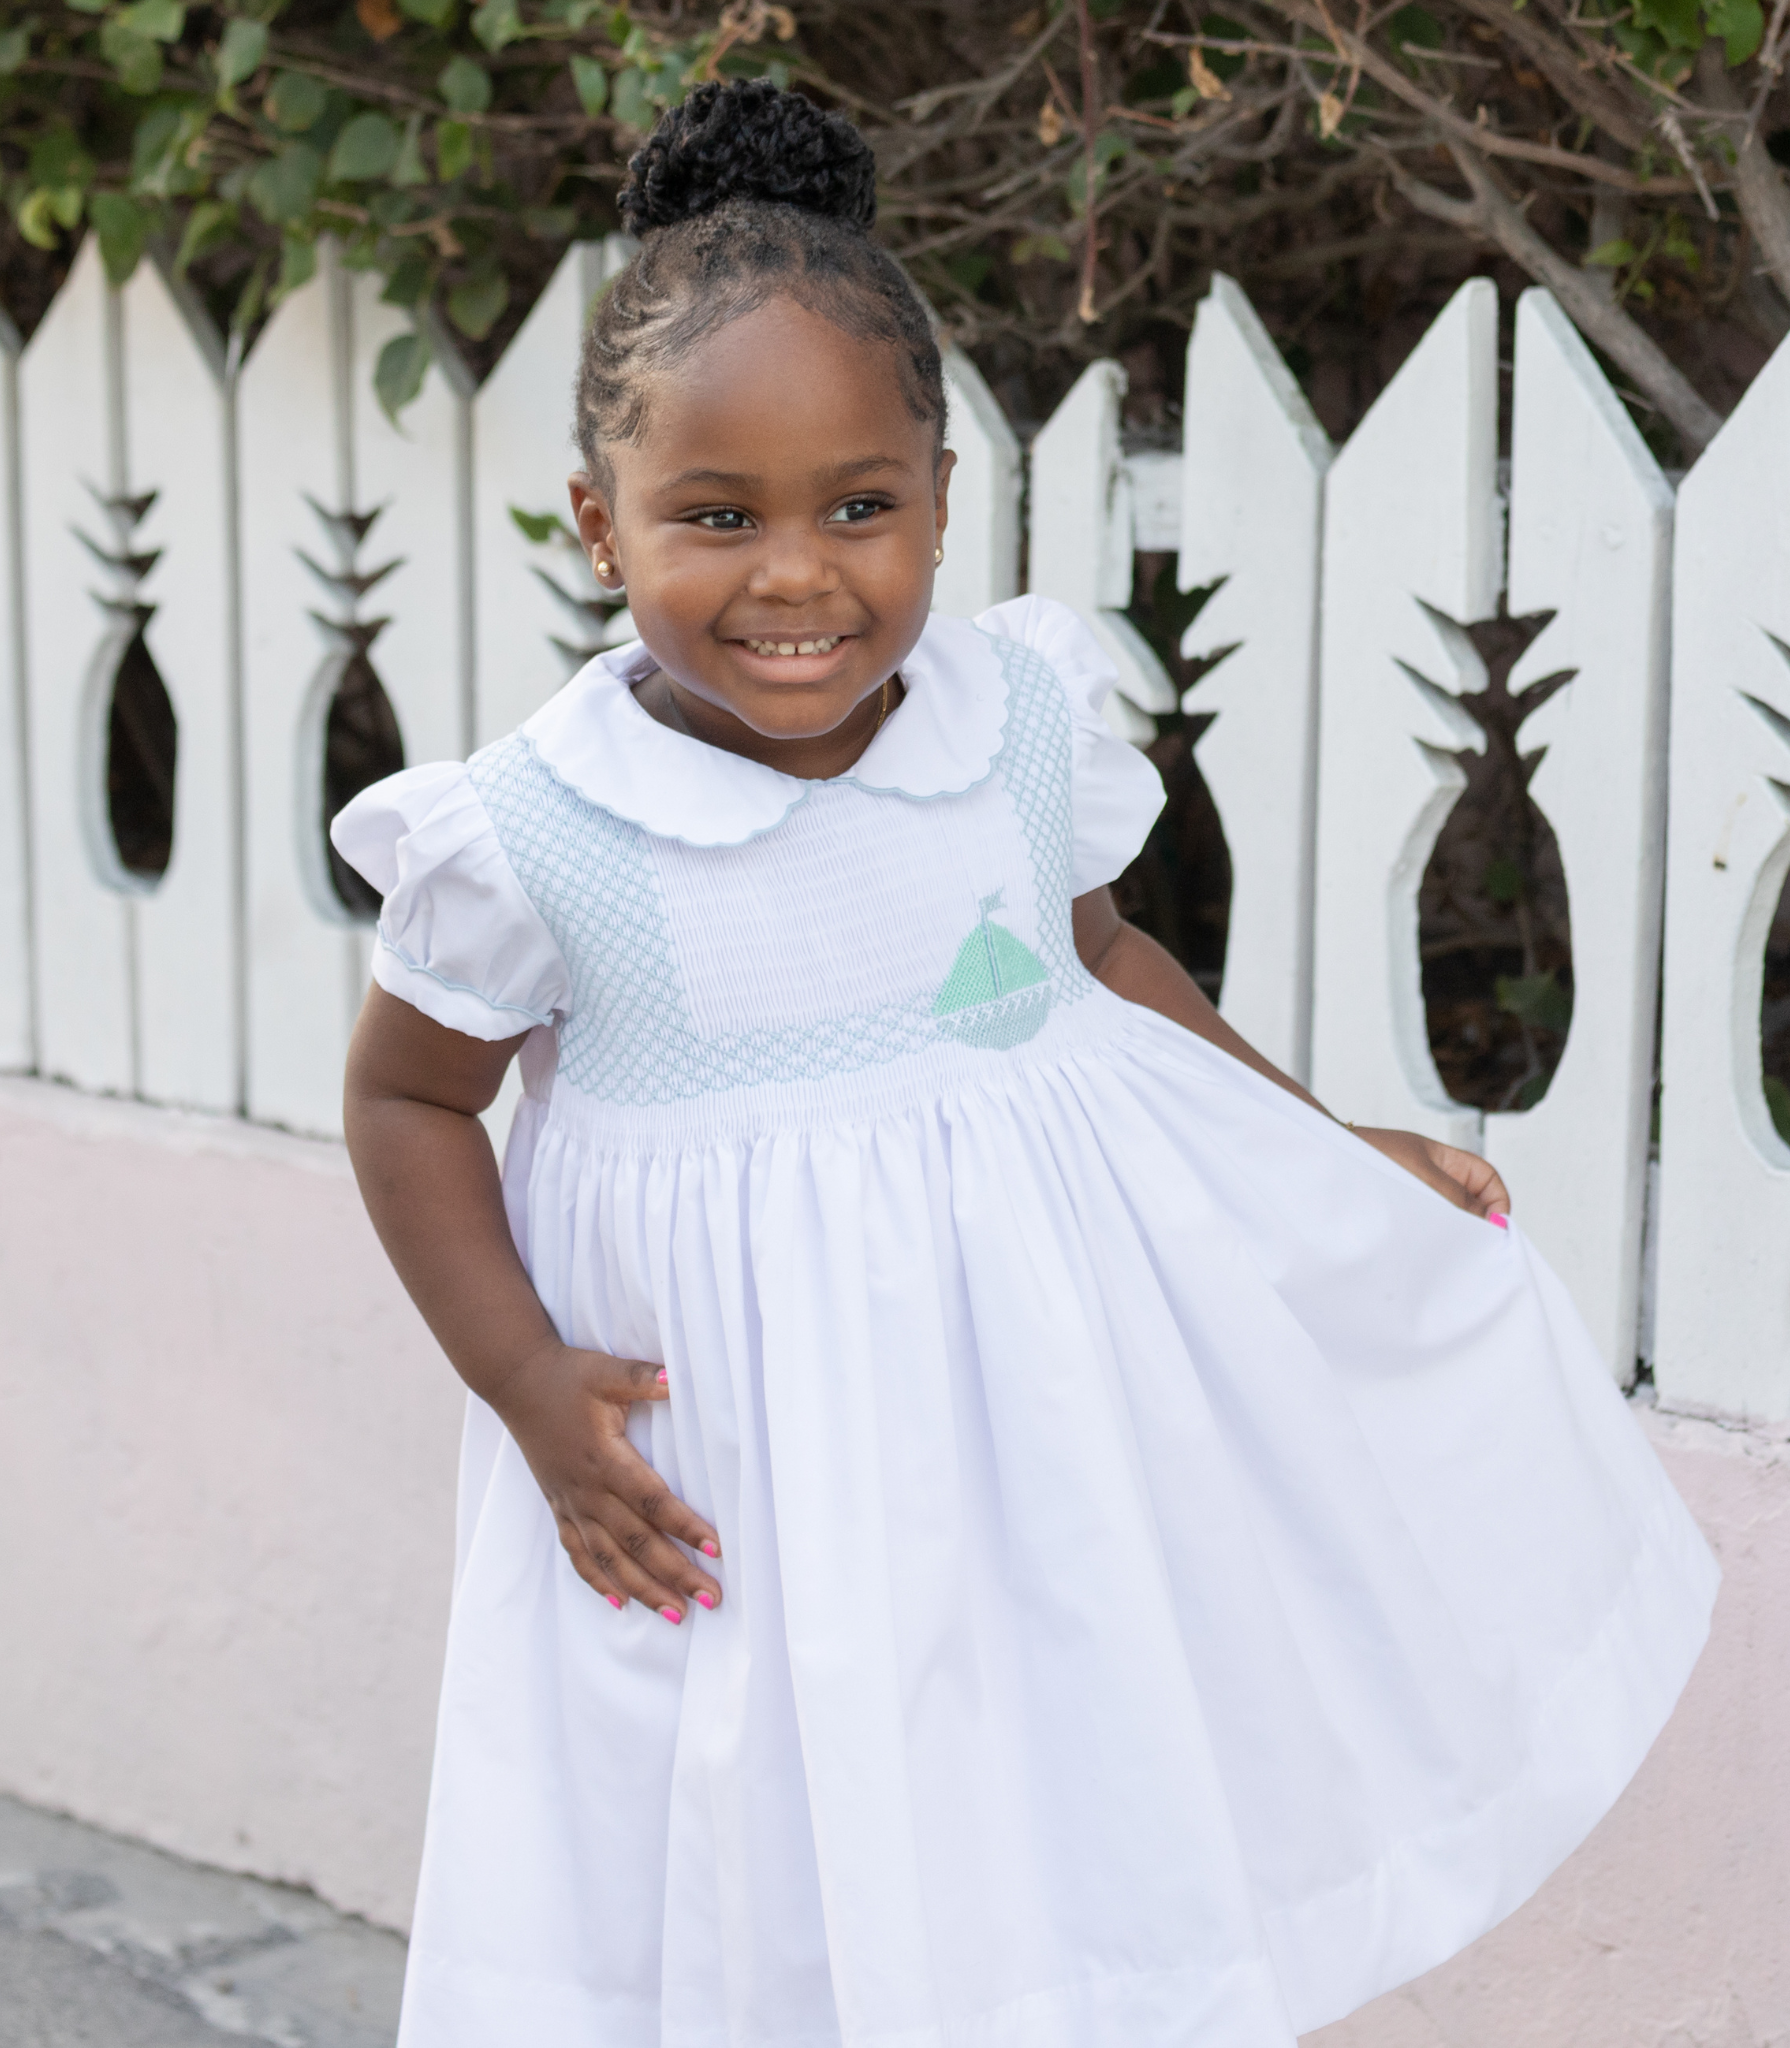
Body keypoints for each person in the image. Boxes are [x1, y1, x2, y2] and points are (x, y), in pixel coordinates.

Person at [335, 78, 1718, 2048]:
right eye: (716, 516)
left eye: (858, 506)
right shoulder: (538, 834)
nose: (796, 576)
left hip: (1028, 1433)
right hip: (738, 1478)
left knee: (1047, 1815)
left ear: (939, 495)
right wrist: (523, 1383)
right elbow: (408, 1100)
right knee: (760, 1863)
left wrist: (1327, 1148)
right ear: (598, 522)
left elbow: (1104, 964)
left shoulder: (1011, 728)